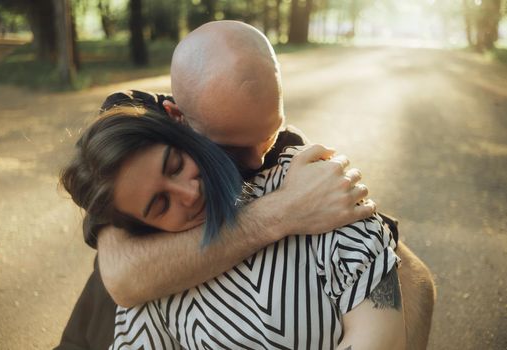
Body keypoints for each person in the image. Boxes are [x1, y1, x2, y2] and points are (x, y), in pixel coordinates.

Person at [55, 21, 435, 350]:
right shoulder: (128, 133)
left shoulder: (283, 155)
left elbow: (381, 257)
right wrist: (283, 211)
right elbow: (124, 277)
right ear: (177, 120)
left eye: (268, 134)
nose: (256, 161)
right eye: (232, 147)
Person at [61, 103, 405, 349]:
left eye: (176, 165)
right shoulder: (152, 290)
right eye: (161, 204)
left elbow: (382, 335)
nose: (190, 192)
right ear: (140, 227)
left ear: (180, 127)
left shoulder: (308, 182)